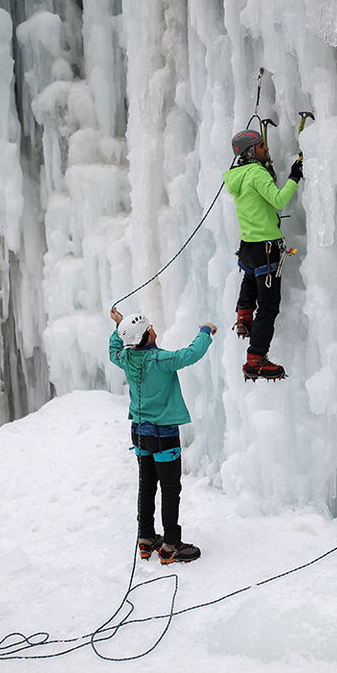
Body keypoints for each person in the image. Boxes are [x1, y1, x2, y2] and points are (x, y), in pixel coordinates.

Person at [109, 306, 216, 564]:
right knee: (170, 489)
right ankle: (171, 544)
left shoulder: (126, 358)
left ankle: (146, 539)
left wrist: (119, 325)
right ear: (148, 336)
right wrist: (205, 331)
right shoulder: (162, 360)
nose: (153, 330)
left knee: (147, 487)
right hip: (164, 435)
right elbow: (191, 354)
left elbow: (114, 350)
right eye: (149, 329)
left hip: (139, 433)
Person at [223, 129, 303, 380]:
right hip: (265, 247)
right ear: (250, 152)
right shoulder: (256, 174)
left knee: (249, 278)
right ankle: (256, 358)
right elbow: (278, 201)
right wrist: (294, 176)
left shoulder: (240, 175)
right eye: (260, 146)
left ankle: (244, 316)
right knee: (268, 307)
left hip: (248, 246)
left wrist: (265, 169)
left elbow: (260, 196)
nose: (266, 148)